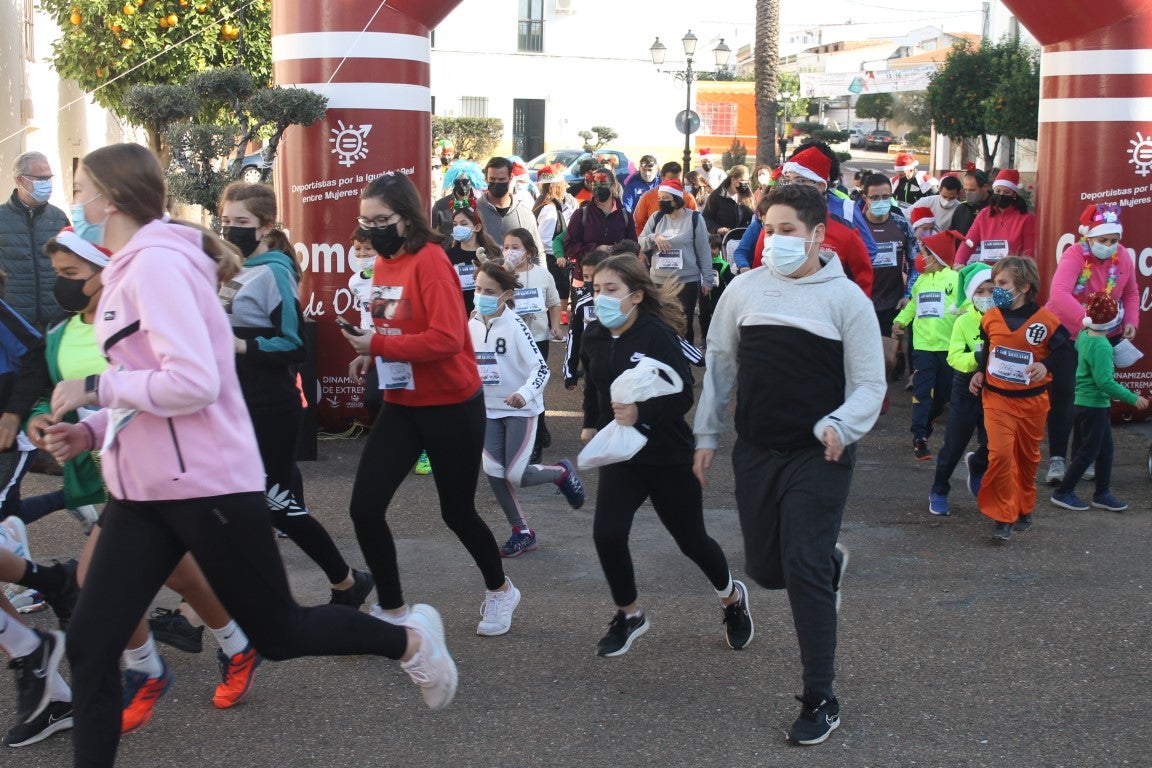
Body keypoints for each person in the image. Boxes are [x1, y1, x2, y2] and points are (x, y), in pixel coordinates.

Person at [44, 144, 458, 768]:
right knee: (92, 644)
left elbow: (193, 383)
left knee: (280, 633)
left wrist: (96, 389)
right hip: (143, 489)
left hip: (204, 484)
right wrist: (95, 428)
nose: (76, 200)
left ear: (112, 195)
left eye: (81, 186)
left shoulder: (156, 266)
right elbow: (146, 377)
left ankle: (407, 640)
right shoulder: (135, 266)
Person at [693, 184, 885, 746]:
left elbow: (870, 385)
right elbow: (720, 366)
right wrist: (707, 433)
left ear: (818, 236)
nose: (774, 242)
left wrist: (841, 426)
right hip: (755, 452)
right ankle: (827, 565)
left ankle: (820, 697)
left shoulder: (846, 299)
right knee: (768, 571)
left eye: (787, 231)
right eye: (768, 230)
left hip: (819, 454)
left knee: (800, 567)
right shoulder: (743, 290)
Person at [341, 171, 521, 638]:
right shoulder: (383, 266)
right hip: (402, 402)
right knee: (364, 507)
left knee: (456, 512)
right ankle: (394, 607)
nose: (372, 229)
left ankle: (500, 590)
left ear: (407, 218)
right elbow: (395, 330)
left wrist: (377, 348)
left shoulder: (431, 261)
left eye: (381, 220)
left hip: (451, 405)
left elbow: (445, 338)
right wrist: (372, 352)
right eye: (365, 221)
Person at [580, 254, 753, 658]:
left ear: (636, 296)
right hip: (623, 454)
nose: (600, 298)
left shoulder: (656, 335)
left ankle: (731, 599)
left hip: (668, 454)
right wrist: (591, 422)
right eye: (596, 289)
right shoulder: (594, 335)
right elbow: (594, 384)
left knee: (691, 540)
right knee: (607, 532)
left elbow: (681, 395)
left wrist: (642, 412)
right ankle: (630, 613)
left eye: (611, 290)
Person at [218, 182, 375, 607]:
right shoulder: (230, 267)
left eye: (241, 223)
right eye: (226, 221)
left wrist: (244, 346)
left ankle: (346, 581)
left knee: (276, 505)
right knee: (224, 503)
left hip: (269, 404)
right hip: (231, 402)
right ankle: (212, 608)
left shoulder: (274, 273)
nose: (230, 229)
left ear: (266, 226)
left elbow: (294, 345)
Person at [469, 261, 586, 557]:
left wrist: (524, 394)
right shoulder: (470, 324)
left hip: (521, 409)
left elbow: (541, 369)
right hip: (488, 410)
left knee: (517, 474)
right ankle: (521, 531)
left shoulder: (515, 325)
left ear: (507, 294)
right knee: (495, 472)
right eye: (479, 288)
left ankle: (560, 472)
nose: (481, 295)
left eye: (489, 291)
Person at [967, 256, 1069, 541]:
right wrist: (979, 373)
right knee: (1000, 455)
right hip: (996, 399)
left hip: (1032, 402)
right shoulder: (991, 317)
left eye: (1001, 283)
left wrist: (1045, 366)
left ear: (1023, 287)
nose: (995, 289)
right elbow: (989, 348)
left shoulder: (1046, 321)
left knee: (1027, 459)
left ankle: (1024, 507)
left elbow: (1064, 351)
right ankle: (1003, 516)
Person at [1042, 203, 1140, 485]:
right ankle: (1057, 460)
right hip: (1068, 332)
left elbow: (1132, 292)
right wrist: (1086, 318)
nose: (1109, 246)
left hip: (1102, 335)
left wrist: (1131, 319)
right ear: (1088, 237)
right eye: (1103, 240)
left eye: (1114, 240)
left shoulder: (1123, 257)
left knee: (1094, 396)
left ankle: (1082, 457)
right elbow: (1058, 293)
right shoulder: (1075, 255)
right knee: (1064, 394)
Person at [1049, 292, 1149, 512]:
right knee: (1089, 451)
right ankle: (1064, 492)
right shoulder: (1102, 346)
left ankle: (1102, 493)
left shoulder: (1084, 335)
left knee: (1105, 449)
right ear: (1112, 321)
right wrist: (1133, 398)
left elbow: (1080, 351)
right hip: (1094, 404)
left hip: (1088, 403)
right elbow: (1105, 382)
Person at [743, 148, 874, 297]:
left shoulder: (845, 233)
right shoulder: (770, 229)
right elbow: (759, 274)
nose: (792, 186)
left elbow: (862, 283)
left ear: (820, 186)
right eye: (787, 180)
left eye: (800, 180)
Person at [927, 262, 995, 516]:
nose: (986, 297)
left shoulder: (1002, 318)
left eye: (991, 290)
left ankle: (977, 464)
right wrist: (977, 359)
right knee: (954, 444)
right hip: (966, 387)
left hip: (995, 389)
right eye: (981, 291)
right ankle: (939, 489)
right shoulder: (964, 321)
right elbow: (954, 356)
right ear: (971, 294)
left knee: (993, 443)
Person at [892, 230, 960, 461]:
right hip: (922, 348)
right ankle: (919, 437)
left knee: (944, 393)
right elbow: (911, 306)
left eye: (924, 254)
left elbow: (968, 305)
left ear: (937, 257)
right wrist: (899, 321)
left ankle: (930, 418)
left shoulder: (955, 279)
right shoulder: (920, 281)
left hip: (948, 348)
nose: (920, 259)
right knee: (922, 393)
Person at [501, 229, 562, 463]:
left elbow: (554, 303)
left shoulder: (542, 275)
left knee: (534, 387)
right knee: (517, 386)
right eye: (506, 247)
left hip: (538, 338)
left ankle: (535, 441)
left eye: (515, 247)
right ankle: (534, 429)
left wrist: (555, 326)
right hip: (511, 340)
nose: (509, 252)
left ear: (529, 252)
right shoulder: (501, 275)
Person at [859, 173, 918, 404]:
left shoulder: (901, 223)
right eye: (875, 197)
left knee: (886, 358)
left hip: (892, 301)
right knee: (860, 355)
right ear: (865, 198)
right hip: (862, 301)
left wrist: (908, 294)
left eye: (886, 196)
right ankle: (865, 400)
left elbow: (916, 262)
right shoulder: (856, 224)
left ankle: (878, 396)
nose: (881, 200)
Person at [638, 179, 712, 347]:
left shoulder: (694, 218)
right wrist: (654, 238)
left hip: (686, 281)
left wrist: (707, 278)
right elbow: (641, 241)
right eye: (660, 198)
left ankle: (685, 360)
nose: (661, 202)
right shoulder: (656, 217)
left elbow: (703, 250)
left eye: (666, 198)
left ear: (677, 199)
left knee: (683, 324)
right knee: (660, 321)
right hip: (659, 280)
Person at [0, 152, 69, 331]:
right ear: (20, 180)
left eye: (49, 178)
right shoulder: (2, 218)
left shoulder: (59, 218)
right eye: (41, 178)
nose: (47, 183)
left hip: (55, 323)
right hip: (14, 324)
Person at [954, 169, 1035, 266]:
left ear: (1014, 194)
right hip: (986, 271)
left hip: (1014, 273)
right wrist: (958, 262)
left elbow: (1028, 252)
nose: (1001, 195)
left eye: (1006, 192)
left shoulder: (1026, 217)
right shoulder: (984, 214)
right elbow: (969, 242)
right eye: (998, 191)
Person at [563, 167, 637, 273]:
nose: (598, 189)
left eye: (602, 184)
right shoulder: (580, 215)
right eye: (595, 185)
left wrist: (617, 250)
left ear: (613, 186)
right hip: (586, 278)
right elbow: (569, 248)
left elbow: (633, 248)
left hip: (616, 275)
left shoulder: (625, 216)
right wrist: (596, 249)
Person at [562, 247, 610, 389]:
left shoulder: (622, 300)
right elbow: (574, 337)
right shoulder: (583, 304)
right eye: (586, 277)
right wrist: (570, 372)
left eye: (594, 276)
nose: (590, 282)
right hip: (592, 368)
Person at [477, 157, 544, 256]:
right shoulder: (475, 211)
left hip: (517, 271)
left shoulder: (524, 213)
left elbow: (538, 252)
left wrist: (541, 271)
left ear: (511, 178)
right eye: (492, 179)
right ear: (486, 180)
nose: (497, 183)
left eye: (501, 179)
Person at [532, 164, 574, 313]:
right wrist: (561, 254)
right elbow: (544, 240)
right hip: (552, 262)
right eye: (563, 185)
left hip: (551, 260)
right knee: (557, 292)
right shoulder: (549, 208)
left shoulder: (542, 202)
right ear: (557, 186)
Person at [445, 206, 501, 316]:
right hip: (458, 314)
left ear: (477, 227)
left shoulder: (490, 254)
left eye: (464, 224)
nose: (458, 227)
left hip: (485, 314)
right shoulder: (448, 256)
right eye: (455, 224)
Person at [633, 162, 699, 236]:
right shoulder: (648, 196)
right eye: (671, 180)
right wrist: (645, 243)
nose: (675, 183)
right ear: (662, 177)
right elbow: (638, 225)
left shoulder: (688, 197)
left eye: (678, 180)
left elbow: (696, 224)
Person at [697, 233, 734, 348]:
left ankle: (719, 338)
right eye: (707, 248)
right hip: (703, 297)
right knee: (703, 317)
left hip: (718, 297)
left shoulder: (723, 265)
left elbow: (730, 280)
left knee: (718, 318)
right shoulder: (699, 263)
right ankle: (704, 338)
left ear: (719, 249)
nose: (710, 251)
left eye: (713, 248)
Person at [701, 165, 754, 237]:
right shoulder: (718, 195)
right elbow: (706, 217)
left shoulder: (748, 195)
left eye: (747, 181)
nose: (745, 184)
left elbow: (753, 216)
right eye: (742, 181)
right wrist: (718, 229)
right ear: (733, 180)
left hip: (743, 238)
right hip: (723, 239)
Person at [430, 171, 478, 237]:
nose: (461, 185)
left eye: (465, 181)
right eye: (457, 182)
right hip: (447, 246)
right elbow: (431, 231)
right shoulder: (440, 205)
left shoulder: (479, 204)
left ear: (471, 182)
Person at [951, 167, 991, 237]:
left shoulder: (996, 208)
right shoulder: (961, 209)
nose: (968, 194)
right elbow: (953, 235)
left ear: (985, 187)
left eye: (972, 190)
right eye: (965, 190)